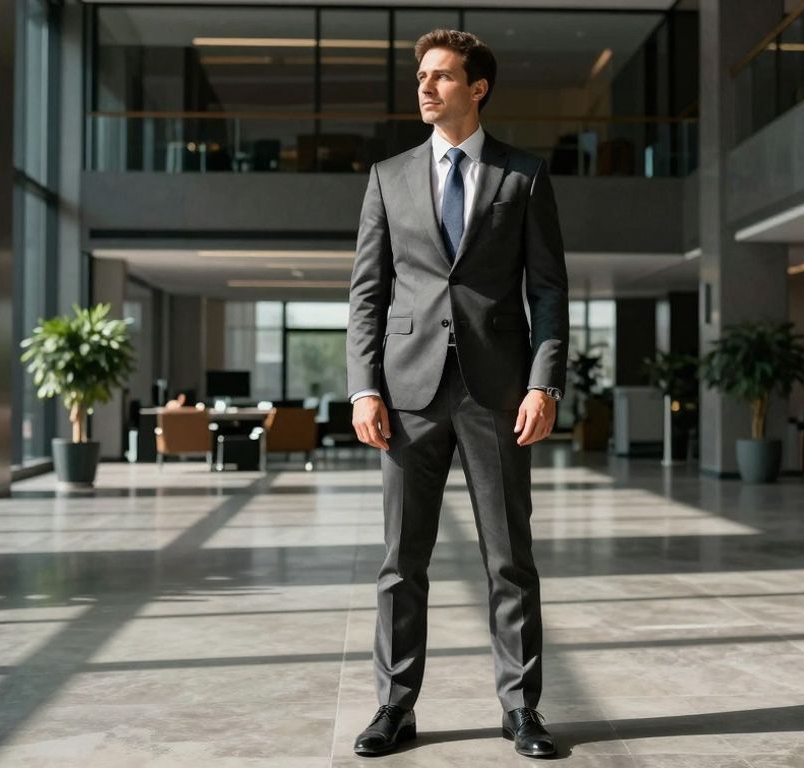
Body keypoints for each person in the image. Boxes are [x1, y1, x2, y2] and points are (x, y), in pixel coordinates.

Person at [345, 28, 569, 759]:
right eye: (422, 75)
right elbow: (367, 296)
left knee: (509, 561)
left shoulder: (523, 177)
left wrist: (544, 383)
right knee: (401, 563)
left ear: (478, 88)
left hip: (497, 394)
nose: (426, 86)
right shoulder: (388, 176)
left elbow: (549, 292)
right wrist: (362, 390)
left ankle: (521, 710)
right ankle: (393, 708)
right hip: (406, 396)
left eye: (442, 76)